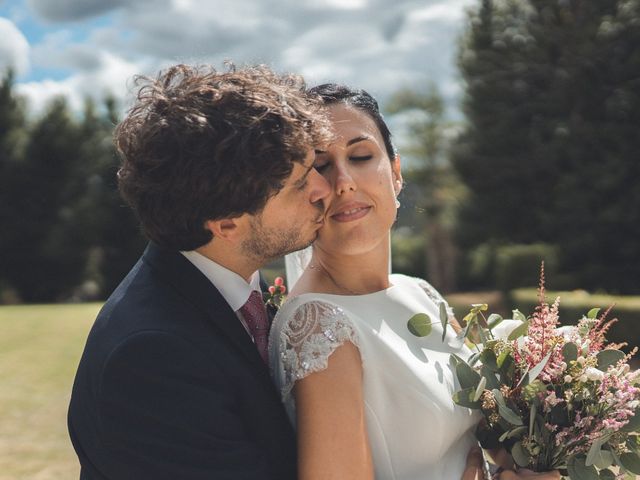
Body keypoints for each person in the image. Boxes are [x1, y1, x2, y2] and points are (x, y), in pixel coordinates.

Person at [269, 84, 561, 480]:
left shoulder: (421, 293)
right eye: (320, 165)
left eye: (360, 156)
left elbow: (478, 436)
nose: (344, 182)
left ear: (396, 173)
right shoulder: (320, 327)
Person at [67, 63, 334, 480]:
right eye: (300, 183)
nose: (324, 189)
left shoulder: (235, 282)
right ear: (226, 223)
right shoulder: (152, 360)